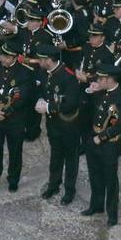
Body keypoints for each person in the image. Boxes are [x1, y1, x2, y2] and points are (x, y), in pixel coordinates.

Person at [83, 64, 121, 225]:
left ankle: (112, 213)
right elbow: (89, 111)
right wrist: (89, 92)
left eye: (101, 79)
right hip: (93, 139)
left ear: (110, 80)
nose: (98, 81)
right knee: (94, 175)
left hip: (110, 143)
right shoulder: (99, 92)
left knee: (110, 179)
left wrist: (103, 136)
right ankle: (96, 205)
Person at [36, 45, 83, 205]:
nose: (39, 61)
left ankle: (69, 190)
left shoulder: (68, 76)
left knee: (71, 158)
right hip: (53, 123)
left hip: (69, 125)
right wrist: (40, 100)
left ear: (49, 60)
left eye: (41, 59)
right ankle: (54, 184)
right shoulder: (44, 72)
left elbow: (71, 103)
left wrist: (48, 107)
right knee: (56, 155)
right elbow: (41, 89)